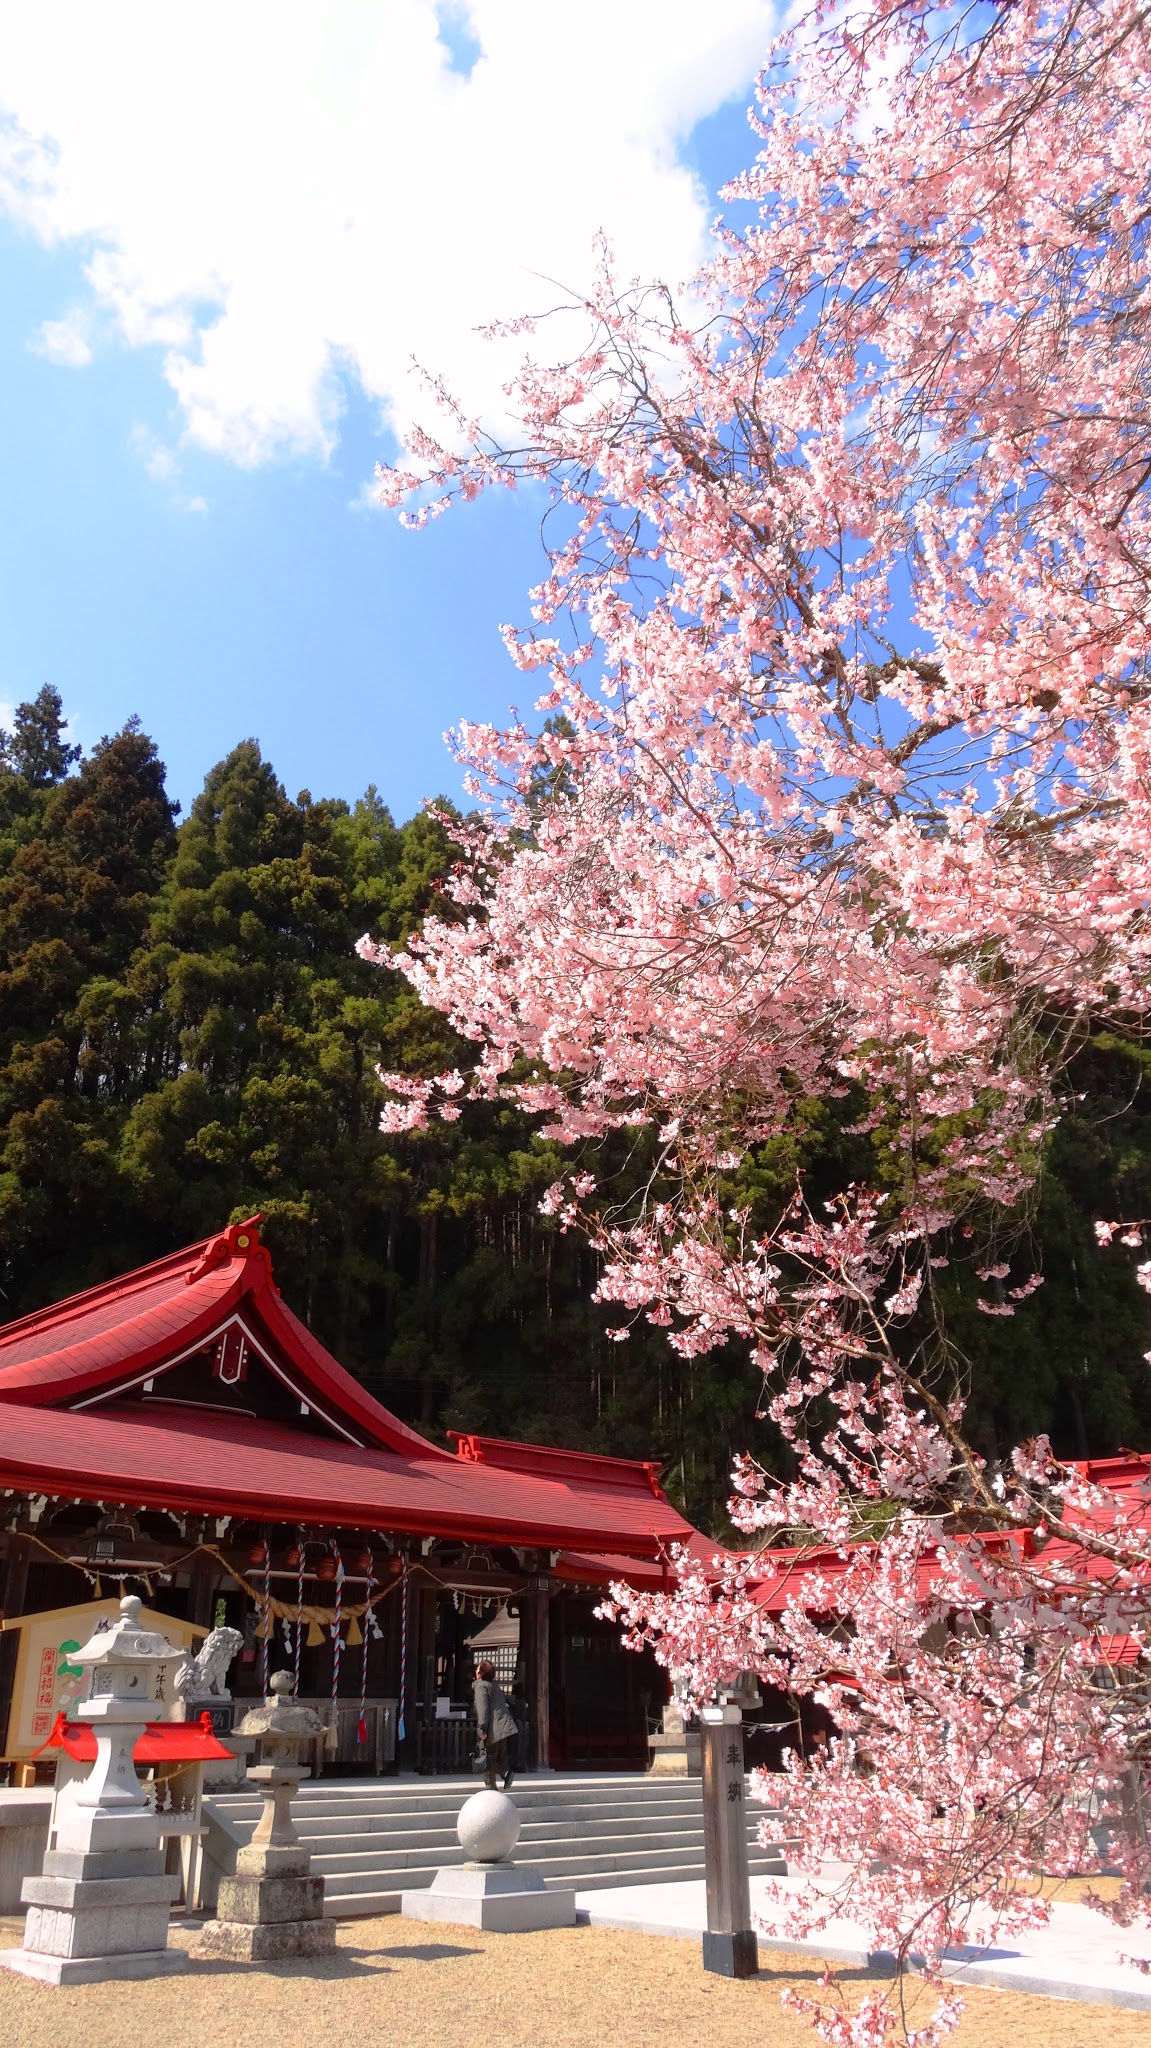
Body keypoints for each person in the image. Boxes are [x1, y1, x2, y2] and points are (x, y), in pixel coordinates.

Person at [472, 1658, 518, 1789]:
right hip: (505, 1726)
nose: (476, 1670)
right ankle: (506, 1771)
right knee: (498, 1756)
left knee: (487, 1760)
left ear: (480, 1673)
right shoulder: (495, 1686)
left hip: (493, 1728)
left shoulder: (481, 1687)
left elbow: (483, 1710)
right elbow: (509, 1700)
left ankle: (491, 1790)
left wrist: (482, 1731)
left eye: (478, 1668)